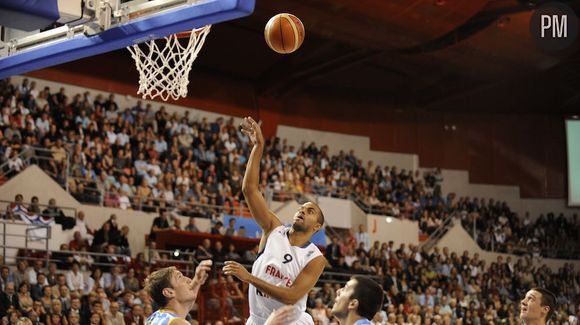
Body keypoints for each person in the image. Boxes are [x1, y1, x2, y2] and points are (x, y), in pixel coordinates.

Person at [222, 117, 326, 325]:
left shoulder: (315, 258)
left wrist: (249, 277)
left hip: (291, 322)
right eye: (301, 207)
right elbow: (249, 190)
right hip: (258, 320)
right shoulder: (273, 229)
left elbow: (291, 296)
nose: (302, 211)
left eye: (310, 210)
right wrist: (258, 147)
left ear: (317, 226)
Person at [144, 260, 211, 325]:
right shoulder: (178, 323)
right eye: (180, 277)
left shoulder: (154, 318)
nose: (189, 280)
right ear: (169, 292)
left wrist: (197, 281)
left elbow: (190, 297)